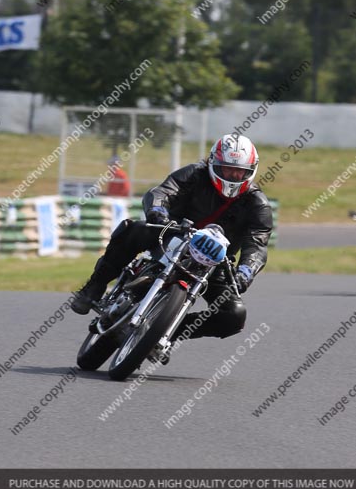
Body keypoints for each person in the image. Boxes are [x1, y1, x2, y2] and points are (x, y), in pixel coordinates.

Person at [71, 134, 273, 343]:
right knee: (132, 229)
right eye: (227, 168)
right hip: (172, 234)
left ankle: (167, 332)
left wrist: (245, 272)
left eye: (240, 171)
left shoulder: (258, 204)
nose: (232, 175)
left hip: (215, 261)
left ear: (250, 171)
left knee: (234, 316)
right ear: (213, 163)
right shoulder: (194, 174)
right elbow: (163, 191)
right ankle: (94, 286)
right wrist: (158, 211)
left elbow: (257, 243)